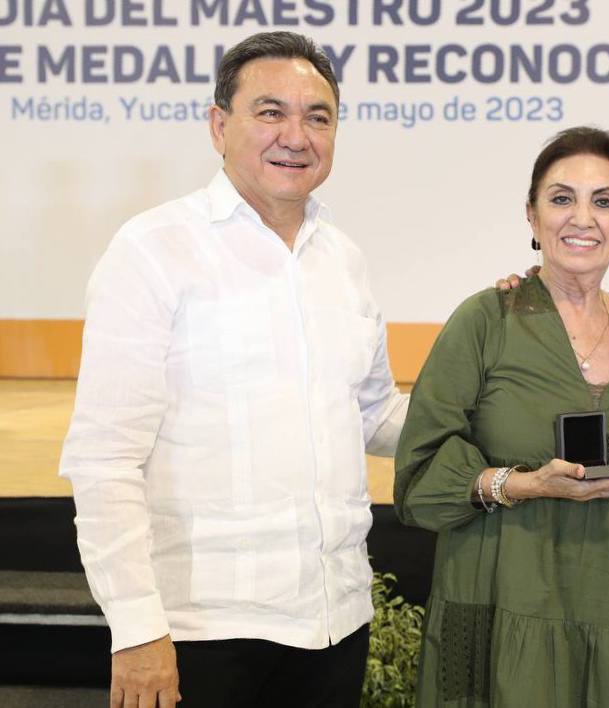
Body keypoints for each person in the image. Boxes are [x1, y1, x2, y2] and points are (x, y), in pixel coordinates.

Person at [59, 31, 407, 708]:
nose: (296, 137)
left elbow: (374, 412)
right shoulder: (153, 251)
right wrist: (137, 630)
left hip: (336, 622)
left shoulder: (343, 260)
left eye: (318, 117)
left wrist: (498, 404)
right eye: (270, 112)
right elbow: (104, 458)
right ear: (219, 126)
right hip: (200, 635)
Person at [394, 126, 609, 707]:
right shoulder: (485, 320)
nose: (582, 218)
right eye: (561, 198)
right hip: (502, 604)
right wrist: (523, 484)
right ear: (532, 214)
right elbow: (419, 476)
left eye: (604, 201)